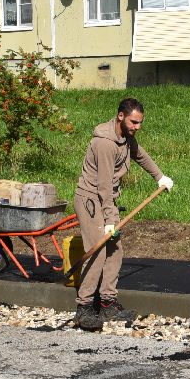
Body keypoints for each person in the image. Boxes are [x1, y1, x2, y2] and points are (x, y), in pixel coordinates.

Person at [72, 97, 172, 331]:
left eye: (140, 123)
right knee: (96, 251)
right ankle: (84, 307)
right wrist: (109, 219)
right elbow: (104, 185)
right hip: (91, 200)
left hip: (106, 200)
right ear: (120, 117)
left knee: (115, 250)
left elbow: (140, 155)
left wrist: (159, 176)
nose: (137, 127)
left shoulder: (126, 137)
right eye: (134, 122)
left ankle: (107, 303)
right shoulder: (105, 144)